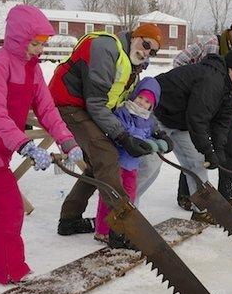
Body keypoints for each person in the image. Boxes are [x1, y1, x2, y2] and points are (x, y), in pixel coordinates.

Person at [0, 5, 83, 284]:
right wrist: (24, 145)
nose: (39, 50)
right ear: (17, 38)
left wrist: (67, 140)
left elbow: (47, 109)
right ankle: (10, 270)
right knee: (9, 205)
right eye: (34, 43)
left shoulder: (32, 69)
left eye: (42, 44)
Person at [49, 23, 169, 246]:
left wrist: (158, 132)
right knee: (107, 155)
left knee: (99, 162)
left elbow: (133, 106)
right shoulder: (106, 49)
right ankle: (121, 228)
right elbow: (96, 103)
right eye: (145, 45)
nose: (146, 53)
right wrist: (123, 136)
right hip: (67, 104)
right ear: (135, 36)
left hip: (87, 106)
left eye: (152, 51)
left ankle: (70, 219)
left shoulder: (132, 64)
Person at [147, 45, 232, 224]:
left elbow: (221, 123)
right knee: (149, 166)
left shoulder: (228, 89)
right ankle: (125, 212)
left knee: (197, 163)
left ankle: (201, 210)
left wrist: (217, 151)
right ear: (231, 69)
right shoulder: (212, 79)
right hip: (157, 114)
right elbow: (197, 119)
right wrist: (208, 149)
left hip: (179, 123)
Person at [171, 14, 232, 211]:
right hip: (202, 106)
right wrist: (193, 91)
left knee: (231, 150)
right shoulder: (212, 43)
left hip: (223, 107)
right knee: (195, 150)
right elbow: (179, 62)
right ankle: (187, 195)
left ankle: (229, 193)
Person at [94, 77, 171, 246]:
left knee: (129, 197)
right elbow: (123, 133)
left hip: (132, 166)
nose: (142, 103)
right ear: (134, 96)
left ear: (152, 106)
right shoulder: (123, 112)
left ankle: (123, 227)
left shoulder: (149, 120)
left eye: (147, 102)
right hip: (117, 162)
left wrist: (161, 141)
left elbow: (152, 134)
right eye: (140, 98)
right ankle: (102, 230)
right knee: (109, 197)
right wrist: (142, 141)